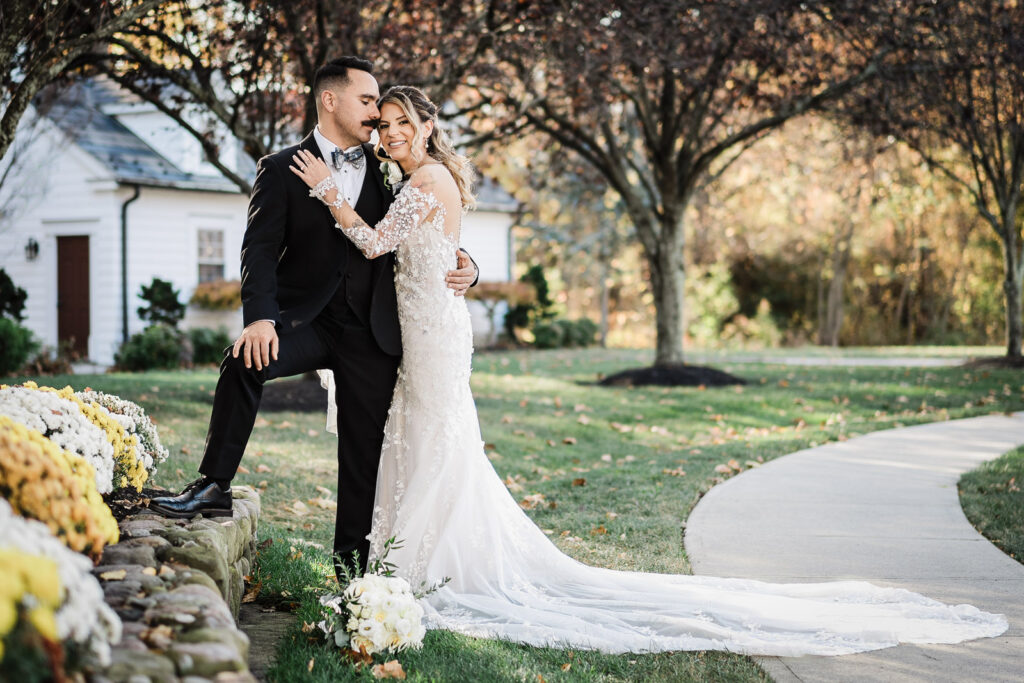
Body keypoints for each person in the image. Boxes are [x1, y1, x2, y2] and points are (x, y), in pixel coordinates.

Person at [288, 83, 1008, 656]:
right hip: (424, 328)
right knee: (426, 439)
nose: (390, 133)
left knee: (440, 441)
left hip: (436, 335)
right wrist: (468, 267)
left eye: (401, 122)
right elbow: (436, 251)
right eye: (384, 124)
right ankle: (411, 563)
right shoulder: (409, 175)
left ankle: (426, 568)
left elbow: (380, 243)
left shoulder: (429, 177)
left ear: (426, 124)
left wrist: (325, 188)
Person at [147, 57, 479, 580]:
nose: (377, 115)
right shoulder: (280, 168)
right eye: (368, 102)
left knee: (364, 452)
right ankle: (213, 484)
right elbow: (257, 250)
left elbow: (427, 231)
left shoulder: (390, 165)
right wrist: (260, 319)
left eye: (383, 108)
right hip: (304, 323)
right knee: (242, 363)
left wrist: (467, 264)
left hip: (374, 330)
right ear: (331, 100)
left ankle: (353, 574)